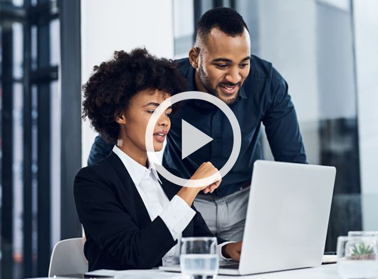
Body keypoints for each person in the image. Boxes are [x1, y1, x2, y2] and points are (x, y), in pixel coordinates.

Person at [87, 7, 307, 242]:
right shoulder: (166, 82)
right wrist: (97, 214)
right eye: (222, 65)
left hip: (245, 204)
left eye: (243, 64)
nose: (234, 77)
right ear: (195, 58)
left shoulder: (267, 83)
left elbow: (293, 163)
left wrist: (295, 226)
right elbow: (113, 138)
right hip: (183, 201)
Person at [74, 48, 242, 271]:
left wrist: (228, 250)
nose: (164, 122)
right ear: (120, 115)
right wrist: (190, 189)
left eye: (168, 112)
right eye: (153, 111)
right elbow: (135, 255)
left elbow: (200, 242)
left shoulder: (169, 180)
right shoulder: (93, 182)